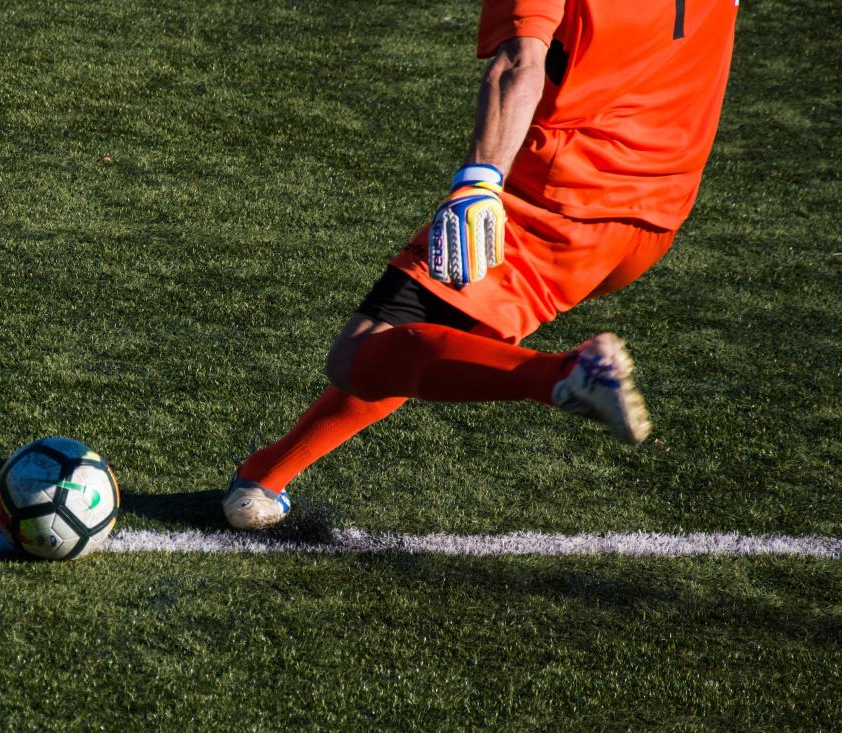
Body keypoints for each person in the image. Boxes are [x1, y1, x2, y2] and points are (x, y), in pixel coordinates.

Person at [223, 0, 741, 530]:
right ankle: (263, 478)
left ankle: (562, 375)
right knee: (417, 336)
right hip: (655, 218)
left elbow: (519, 64)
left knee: (355, 355)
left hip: (558, 200)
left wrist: (480, 180)